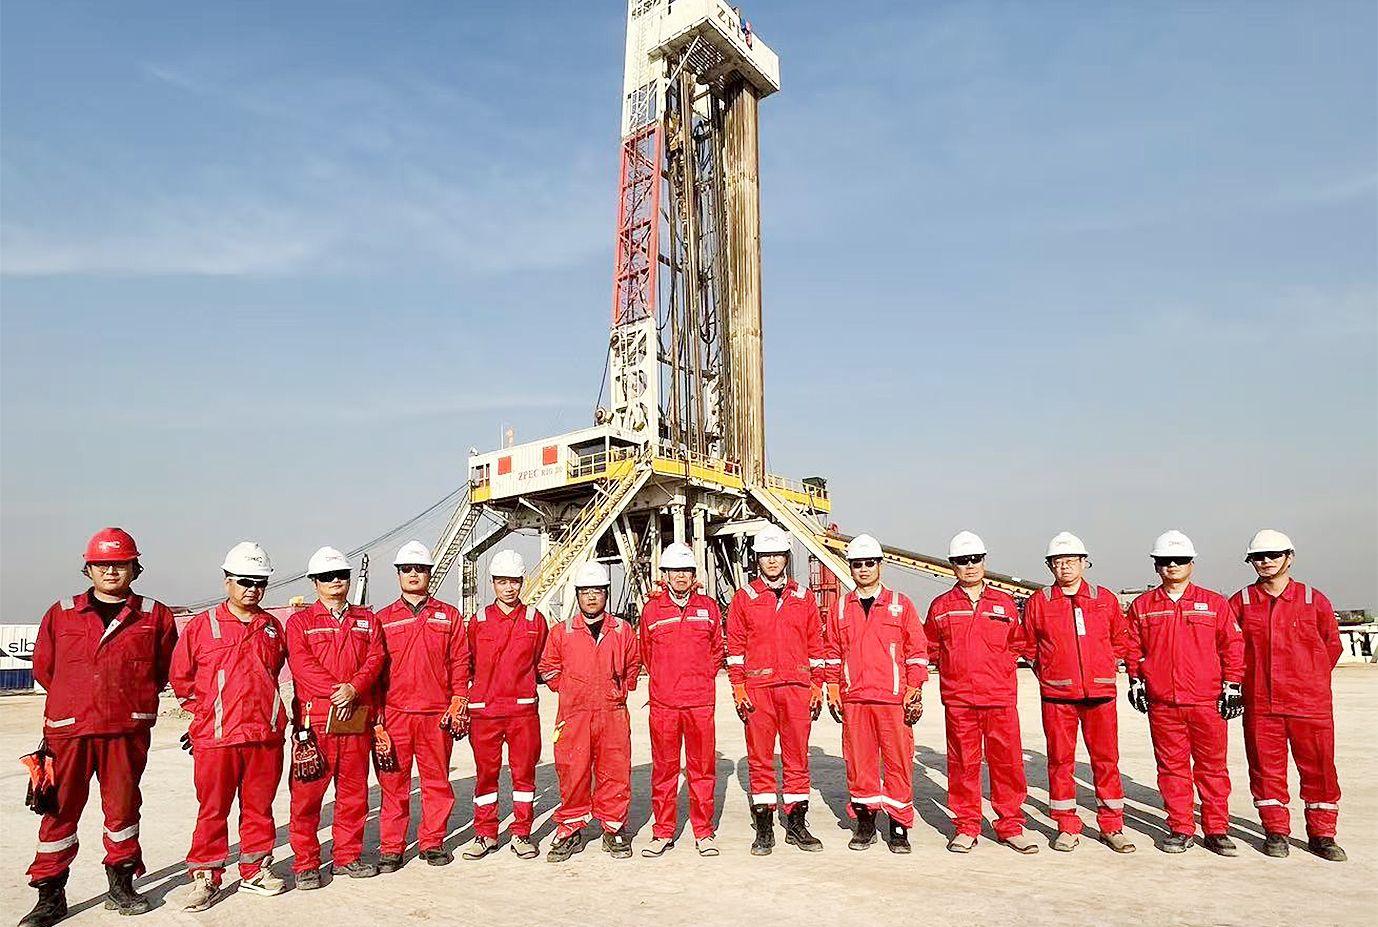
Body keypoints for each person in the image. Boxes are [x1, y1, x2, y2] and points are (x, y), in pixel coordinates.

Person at [21, 528, 178, 927]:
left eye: (120, 564)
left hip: (125, 730)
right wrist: (76, 699)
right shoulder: (61, 613)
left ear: (134, 569)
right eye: (102, 563)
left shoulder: (155, 615)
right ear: (88, 568)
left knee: (123, 810)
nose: (111, 570)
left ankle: (121, 885)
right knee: (58, 813)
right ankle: (50, 896)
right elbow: (45, 669)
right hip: (68, 732)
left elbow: (164, 670)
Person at [170, 542, 290, 911]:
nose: (252, 588)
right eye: (244, 581)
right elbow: (181, 678)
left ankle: (254, 870)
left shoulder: (272, 627)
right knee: (212, 809)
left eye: (260, 582)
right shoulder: (202, 626)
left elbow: (274, 673)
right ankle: (206, 875)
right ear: (227, 581)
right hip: (217, 738)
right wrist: (205, 713)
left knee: (259, 808)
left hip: (264, 735)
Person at [1123, 531, 1244, 856]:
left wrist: (1233, 685)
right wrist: (1135, 680)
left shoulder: (1214, 604)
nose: (1172, 565)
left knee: (1212, 768)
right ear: (1156, 566)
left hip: (1207, 702)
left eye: (1179, 560)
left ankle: (1216, 829)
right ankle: (1180, 827)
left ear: (1192, 564)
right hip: (1163, 703)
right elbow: (1132, 647)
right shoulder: (1143, 606)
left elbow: (1232, 645)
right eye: (1165, 560)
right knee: (1171, 768)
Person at [1230, 529, 1346, 862]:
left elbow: (1332, 645)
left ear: (1289, 558)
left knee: (1320, 769)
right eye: (1258, 557)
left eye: (1273, 555)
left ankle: (1322, 835)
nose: (1266, 561)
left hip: (1310, 705)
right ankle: (1276, 831)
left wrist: (1311, 677)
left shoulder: (1314, 600)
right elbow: (1230, 648)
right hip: (1261, 704)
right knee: (1265, 769)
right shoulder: (1240, 602)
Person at [1019, 532, 1135, 853]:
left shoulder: (1104, 599)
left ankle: (1112, 826)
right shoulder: (1040, 601)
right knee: (1060, 761)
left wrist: (1106, 666)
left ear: (1084, 563)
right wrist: (1048, 672)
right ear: (1050, 566)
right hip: (1058, 698)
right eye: (1058, 562)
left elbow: (1121, 639)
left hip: (1100, 696)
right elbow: (1027, 644)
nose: (1065, 567)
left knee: (1106, 761)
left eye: (1071, 560)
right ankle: (1066, 826)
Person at [923, 531, 1037, 854]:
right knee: (963, 764)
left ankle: (1010, 825)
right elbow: (930, 647)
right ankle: (966, 825)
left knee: (1007, 764)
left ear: (984, 561)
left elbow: (1019, 643)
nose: (970, 565)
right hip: (959, 701)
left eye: (975, 559)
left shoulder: (1004, 603)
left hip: (999, 699)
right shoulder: (941, 607)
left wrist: (1000, 669)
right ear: (952, 566)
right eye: (962, 560)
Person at [285, 547, 386, 887]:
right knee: (307, 797)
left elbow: (376, 659)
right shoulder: (300, 622)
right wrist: (336, 690)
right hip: (316, 720)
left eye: (341, 575)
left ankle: (347, 857)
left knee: (354, 794)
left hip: (355, 716)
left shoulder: (367, 621)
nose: (335, 581)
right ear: (314, 582)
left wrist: (354, 688)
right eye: (327, 577)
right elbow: (301, 664)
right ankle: (305, 863)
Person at [726, 526, 826, 855]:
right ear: (757, 560)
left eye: (777, 555)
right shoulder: (744, 598)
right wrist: (738, 685)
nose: (771, 561)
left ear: (786, 558)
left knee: (797, 758)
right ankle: (765, 828)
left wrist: (817, 683)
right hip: (758, 691)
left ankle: (796, 824)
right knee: (760, 759)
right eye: (765, 556)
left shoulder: (803, 597)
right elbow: (735, 649)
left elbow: (816, 644)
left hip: (797, 687)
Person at [824, 534, 926, 854]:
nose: (864, 569)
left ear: (880, 565)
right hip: (855, 699)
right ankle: (865, 822)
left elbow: (917, 651)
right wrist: (832, 686)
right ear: (850, 568)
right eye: (857, 564)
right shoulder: (840, 609)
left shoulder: (901, 604)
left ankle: (898, 826)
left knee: (898, 763)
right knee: (859, 764)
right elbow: (832, 653)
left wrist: (915, 687)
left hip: (893, 700)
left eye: (870, 563)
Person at [372, 541, 469, 871]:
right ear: (398, 574)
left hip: (436, 715)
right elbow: (375, 671)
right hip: (395, 715)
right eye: (407, 569)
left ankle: (432, 842)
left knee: (436, 782)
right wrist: (377, 719)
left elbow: (460, 660)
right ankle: (391, 847)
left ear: (430, 573)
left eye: (420, 569)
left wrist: (459, 699)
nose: (413, 574)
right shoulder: (382, 619)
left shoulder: (449, 616)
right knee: (393, 786)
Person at [541, 562, 642, 862]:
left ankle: (613, 827)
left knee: (615, 770)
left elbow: (633, 664)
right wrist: (568, 689)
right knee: (573, 771)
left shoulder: (622, 630)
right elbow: (548, 667)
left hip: (612, 712)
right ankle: (571, 828)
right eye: (585, 591)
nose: (591, 596)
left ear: (606, 594)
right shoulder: (562, 632)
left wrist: (619, 689)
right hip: (574, 715)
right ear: (577, 595)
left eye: (597, 590)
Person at [638, 542, 724, 857]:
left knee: (702, 769)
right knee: (664, 771)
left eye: (686, 571)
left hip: (700, 703)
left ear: (693, 574)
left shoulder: (709, 608)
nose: (681, 576)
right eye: (675, 571)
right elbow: (646, 654)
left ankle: (703, 832)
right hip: (664, 705)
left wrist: (699, 678)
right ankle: (662, 832)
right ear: (665, 575)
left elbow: (717, 651)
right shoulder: (651, 611)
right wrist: (666, 681)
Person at [461, 550, 547, 860]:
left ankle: (521, 833)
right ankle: (485, 834)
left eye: (514, 582)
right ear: (493, 583)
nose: (509, 588)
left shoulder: (535, 620)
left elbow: (542, 662)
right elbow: (466, 663)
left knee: (524, 775)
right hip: (485, 713)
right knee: (486, 775)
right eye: (502, 582)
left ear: (522, 582)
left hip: (522, 712)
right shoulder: (479, 621)